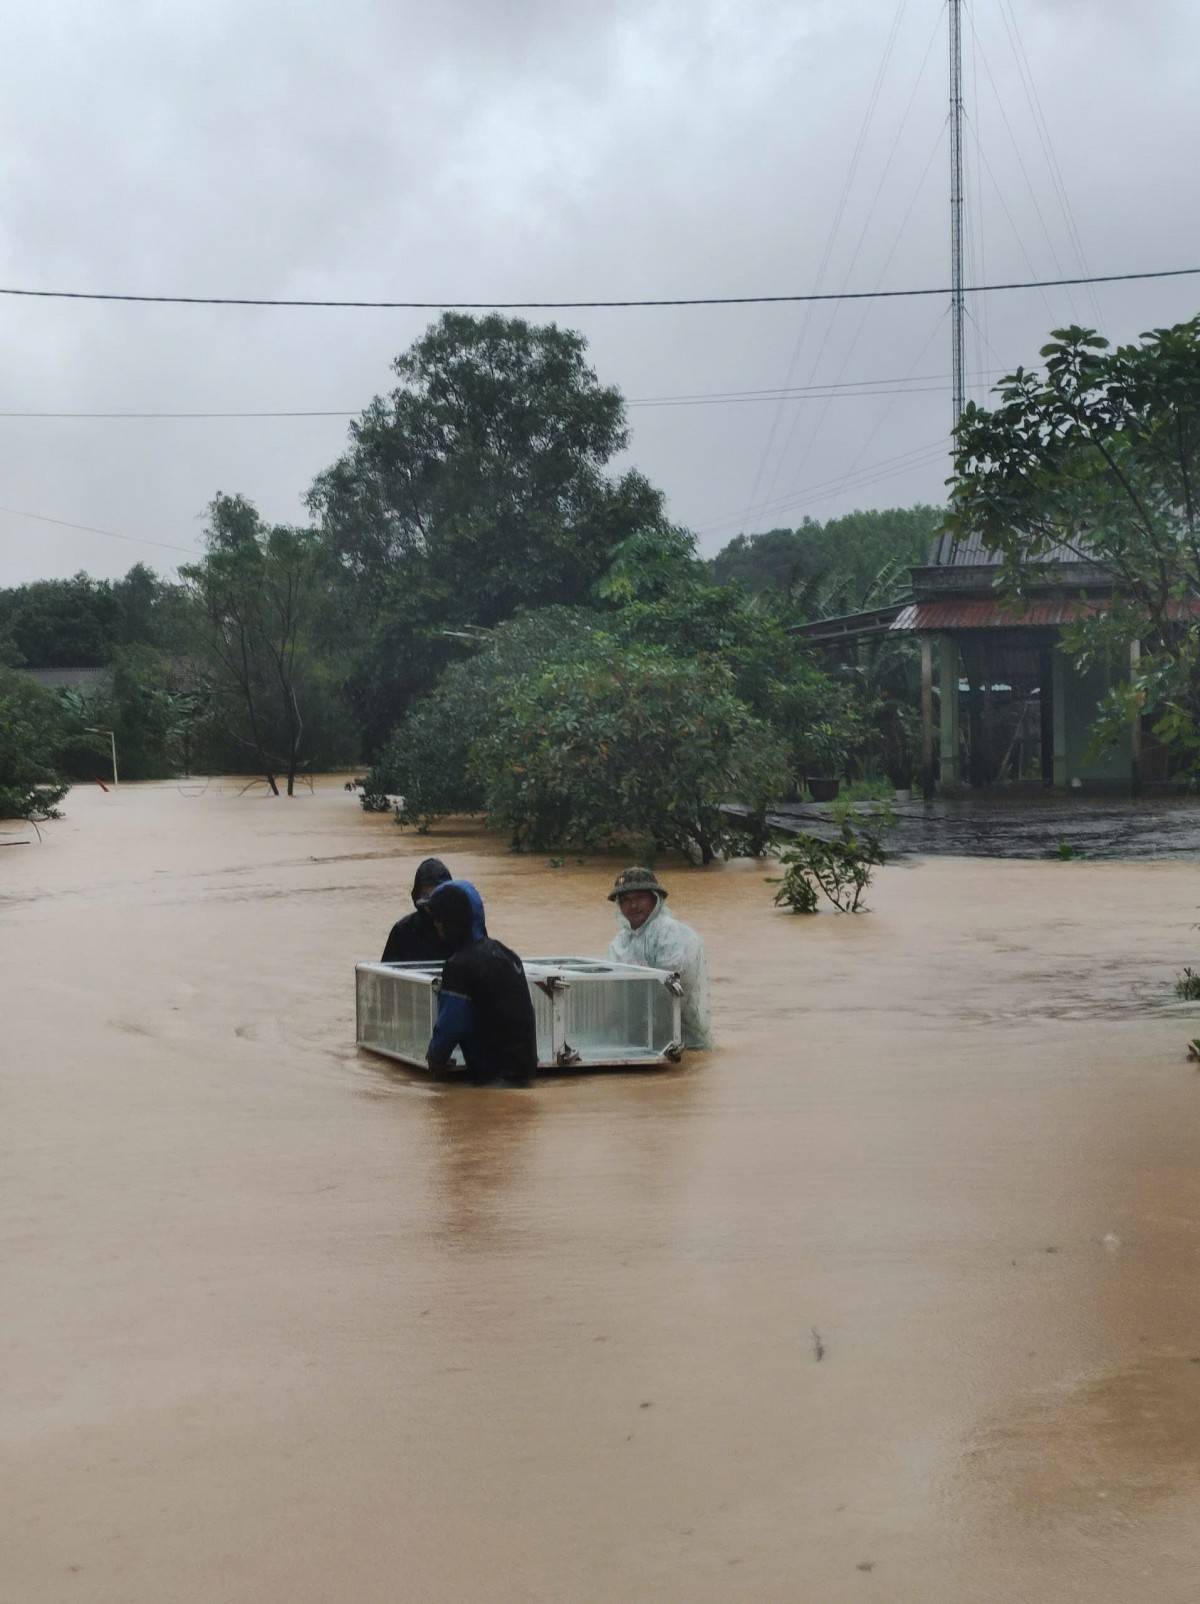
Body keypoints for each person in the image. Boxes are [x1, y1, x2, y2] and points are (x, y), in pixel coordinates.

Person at [423, 879, 538, 1088]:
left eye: (439, 918)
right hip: (525, 1076)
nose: (436, 925)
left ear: (452, 920)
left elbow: (449, 1026)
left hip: (492, 1080)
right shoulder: (507, 955)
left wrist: (434, 1060)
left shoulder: (459, 965)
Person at [606, 866, 712, 1050]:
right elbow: (613, 988)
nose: (633, 906)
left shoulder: (669, 932)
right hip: (640, 1037)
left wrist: (652, 1028)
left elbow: (670, 987)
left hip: (680, 1036)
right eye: (625, 900)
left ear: (655, 899)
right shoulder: (621, 940)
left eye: (640, 898)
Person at [381, 858, 454, 964]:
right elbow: (385, 975)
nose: (431, 902)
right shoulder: (403, 930)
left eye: (437, 894)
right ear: (417, 895)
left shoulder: (463, 926)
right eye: (426, 896)